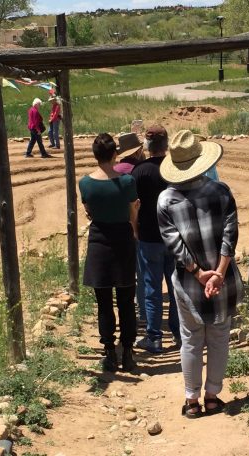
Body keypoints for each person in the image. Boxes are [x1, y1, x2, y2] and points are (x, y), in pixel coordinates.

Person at [157, 130, 242, 419]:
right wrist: (218, 272)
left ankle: (192, 401)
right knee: (219, 335)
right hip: (224, 280)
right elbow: (230, 235)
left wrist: (198, 273)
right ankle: (213, 396)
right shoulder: (221, 192)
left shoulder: (166, 201)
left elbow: (174, 245)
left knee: (191, 338)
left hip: (189, 284)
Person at [79, 133, 140, 372]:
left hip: (99, 241)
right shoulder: (127, 182)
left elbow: (89, 211)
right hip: (122, 240)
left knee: (103, 302)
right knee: (126, 300)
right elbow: (132, 212)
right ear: (116, 153)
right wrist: (133, 229)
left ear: (95, 155)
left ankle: (109, 353)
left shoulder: (85, 183)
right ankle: (127, 352)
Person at [131, 125, 180, 354]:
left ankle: (154, 337)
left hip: (149, 236)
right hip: (175, 237)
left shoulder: (139, 171)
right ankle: (180, 334)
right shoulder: (176, 169)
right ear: (166, 144)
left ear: (147, 145)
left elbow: (134, 205)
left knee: (151, 288)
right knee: (176, 287)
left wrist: (135, 229)